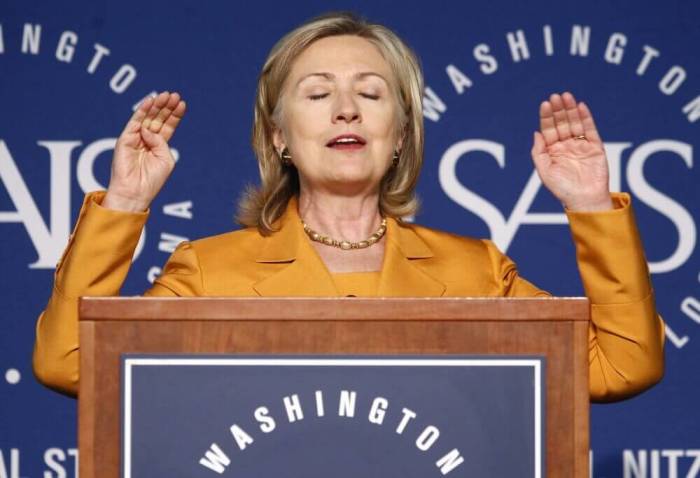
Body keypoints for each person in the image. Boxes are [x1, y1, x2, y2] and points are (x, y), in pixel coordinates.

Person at [32, 12, 664, 401]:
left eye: (370, 92)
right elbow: (69, 365)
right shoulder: (208, 272)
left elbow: (622, 366)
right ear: (278, 137)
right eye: (317, 93)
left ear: (401, 134)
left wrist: (589, 206)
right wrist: (125, 202)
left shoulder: (474, 272)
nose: (346, 109)